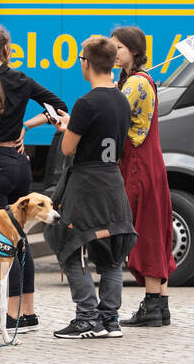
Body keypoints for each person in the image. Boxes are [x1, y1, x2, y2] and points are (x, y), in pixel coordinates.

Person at [0, 25, 68, 335]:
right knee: (19, 239)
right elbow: (59, 108)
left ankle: (11, 316)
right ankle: (28, 312)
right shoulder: (22, 79)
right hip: (18, 164)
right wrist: (26, 127)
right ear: (8, 49)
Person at [47, 36, 137, 340]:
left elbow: (70, 148)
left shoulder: (86, 102)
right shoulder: (121, 99)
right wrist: (76, 125)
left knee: (69, 245)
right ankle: (109, 319)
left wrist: (68, 130)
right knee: (111, 254)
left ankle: (86, 318)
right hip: (113, 180)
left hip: (87, 184)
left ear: (86, 63)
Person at [112, 26, 175, 328]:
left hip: (139, 164)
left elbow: (113, 117)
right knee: (154, 226)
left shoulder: (136, 83)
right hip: (150, 162)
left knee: (145, 230)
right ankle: (159, 303)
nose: (114, 53)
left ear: (133, 51)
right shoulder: (140, 80)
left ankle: (152, 304)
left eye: (119, 48)